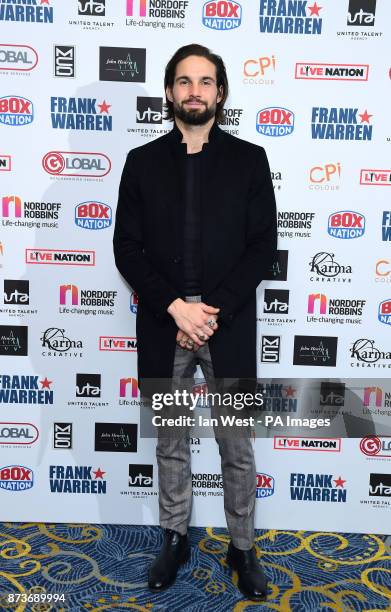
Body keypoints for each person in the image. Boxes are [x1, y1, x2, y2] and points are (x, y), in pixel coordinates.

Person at [113, 43, 277, 601]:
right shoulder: (142, 162)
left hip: (225, 328)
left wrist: (211, 311)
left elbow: (261, 249)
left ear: (221, 93)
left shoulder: (249, 160)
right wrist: (175, 308)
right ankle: (174, 538)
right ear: (169, 93)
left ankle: (242, 547)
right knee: (172, 444)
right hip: (165, 329)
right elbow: (127, 250)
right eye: (184, 81)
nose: (195, 91)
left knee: (237, 444)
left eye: (206, 81)